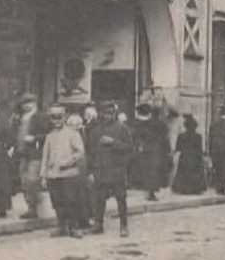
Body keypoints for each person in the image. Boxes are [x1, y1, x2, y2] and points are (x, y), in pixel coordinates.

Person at [87, 110, 134, 236]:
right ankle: (98, 224)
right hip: (101, 170)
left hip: (117, 170)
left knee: (121, 198)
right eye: (105, 113)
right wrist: (91, 171)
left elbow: (130, 148)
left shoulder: (123, 129)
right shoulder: (95, 131)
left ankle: (124, 226)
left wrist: (113, 142)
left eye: (110, 113)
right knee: (99, 199)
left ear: (115, 114)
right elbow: (90, 153)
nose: (108, 116)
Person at [42, 108, 87, 238]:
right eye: (53, 117)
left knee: (71, 201)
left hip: (69, 174)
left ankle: (73, 227)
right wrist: (43, 175)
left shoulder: (72, 134)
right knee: (57, 202)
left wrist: (68, 162)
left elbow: (80, 152)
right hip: (53, 174)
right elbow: (45, 156)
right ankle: (61, 226)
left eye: (59, 117)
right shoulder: (49, 136)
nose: (56, 120)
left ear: (64, 117)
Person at [13, 94, 45, 218]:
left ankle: (34, 207)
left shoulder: (41, 117)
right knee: (24, 181)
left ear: (35, 103)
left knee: (32, 180)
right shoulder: (21, 119)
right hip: (22, 153)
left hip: (35, 154)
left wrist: (34, 138)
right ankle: (31, 207)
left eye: (29, 103)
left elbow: (48, 134)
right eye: (24, 104)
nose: (26, 106)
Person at [132, 103, 171, 201]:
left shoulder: (147, 123)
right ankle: (151, 192)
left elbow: (141, 135)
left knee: (149, 171)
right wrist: (168, 150)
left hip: (148, 149)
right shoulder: (162, 124)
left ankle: (149, 191)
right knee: (155, 172)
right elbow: (165, 139)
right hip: (158, 150)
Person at [171, 114, 207, 195]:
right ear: (195, 126)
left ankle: (184, 188)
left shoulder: (181, 136)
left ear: (185, 126)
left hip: (185, 157)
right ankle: (195, 189)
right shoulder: (198, 137)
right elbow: (200, 149)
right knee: (195, 172)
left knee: (184, 172)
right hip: (195, 157)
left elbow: (178, 148)